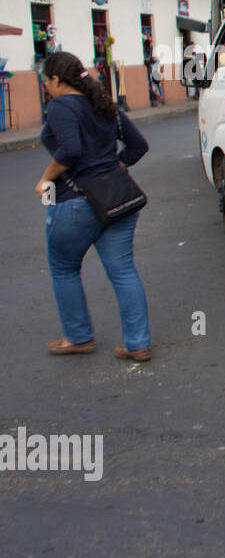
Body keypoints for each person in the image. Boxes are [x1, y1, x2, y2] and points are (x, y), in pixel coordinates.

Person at [36, 51, 153, 361]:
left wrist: (45, 179)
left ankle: (78, 337)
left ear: (56, 79)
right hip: (117, 199)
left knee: (64, 267)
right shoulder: (102, 104)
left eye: (46, 81)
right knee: (123, 271)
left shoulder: (60, 106)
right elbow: (138, 146)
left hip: (76, 201)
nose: (46, 87)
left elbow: (70, 150)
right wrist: (115, 167)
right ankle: (138, 343)